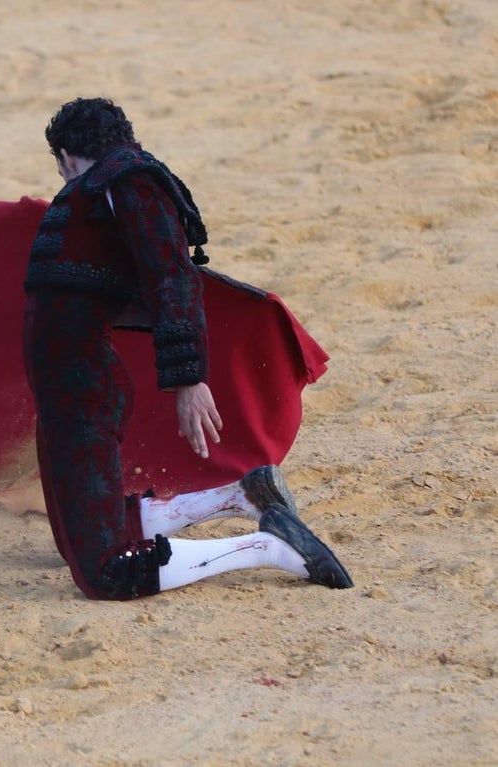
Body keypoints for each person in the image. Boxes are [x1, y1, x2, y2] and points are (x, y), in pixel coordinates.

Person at [22, 97, 353, 600]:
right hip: (69, 387)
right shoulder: (107, 188)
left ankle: (267, 547)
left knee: (106, 573)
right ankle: (237, 495)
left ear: (66, 155)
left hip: (83, 383)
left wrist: (187, 379)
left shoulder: (128, 182)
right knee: (79, 543)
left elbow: (173, 279)